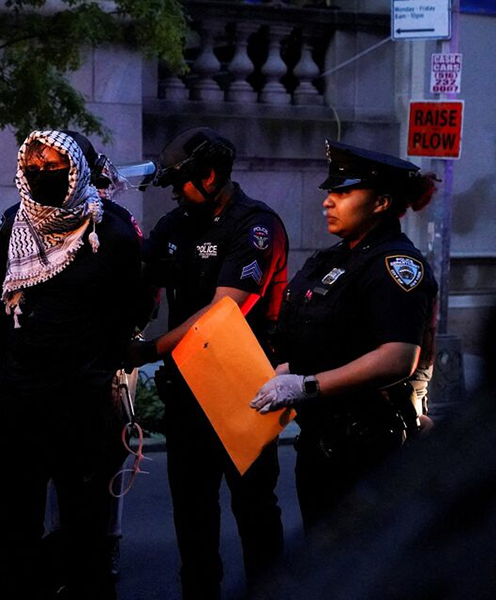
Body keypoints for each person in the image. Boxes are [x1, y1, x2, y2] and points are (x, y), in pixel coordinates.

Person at [0, 130, 143, 600]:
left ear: (78, 171)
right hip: (17, 401)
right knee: (11, 530)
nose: (42, 174)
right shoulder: (14, 224)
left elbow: (129, 307)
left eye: (54, 166)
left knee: (85, 532)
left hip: (82, 403)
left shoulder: (109, 230)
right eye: (34, 165)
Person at [127, 127, 288, 600]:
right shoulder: (176, 225)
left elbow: (223, 312)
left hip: (245, 394)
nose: (175, 193)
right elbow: (143, 280)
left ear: (211, 176)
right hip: (188, 393)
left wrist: (148, 350)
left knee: (255, 513)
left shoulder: (256, 226)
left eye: (182, 182)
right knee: (192, 518)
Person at [249, 139, 439, 531]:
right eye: (330, 192)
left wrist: (308, 385)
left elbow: (399, 356)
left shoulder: (394, 264)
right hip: (320, 446)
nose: (328, 201)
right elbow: (330, 339)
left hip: (369, 450)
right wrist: (288, 369)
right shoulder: (335, 258)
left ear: (382, 202)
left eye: (344, 191)